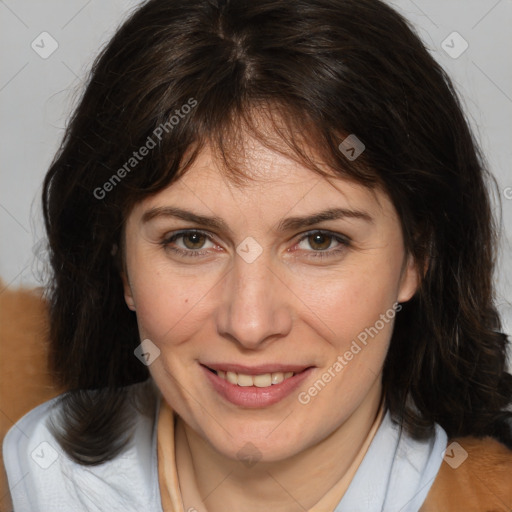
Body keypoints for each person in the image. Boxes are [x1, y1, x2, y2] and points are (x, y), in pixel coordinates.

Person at [3, 0, 512, 510]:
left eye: (319, 240)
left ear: (416, 258)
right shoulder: (30, 479)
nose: (249, 324)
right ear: (121, 264)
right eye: (192, 240)